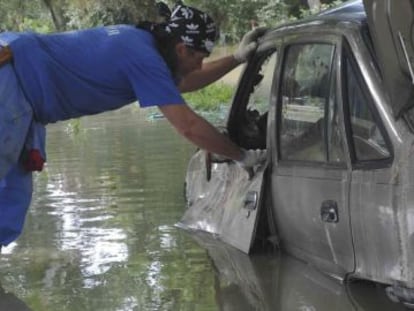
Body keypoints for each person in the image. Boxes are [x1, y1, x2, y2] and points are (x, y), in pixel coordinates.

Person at [0, 4, 267, 247]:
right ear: (182, 49)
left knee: (12, 198)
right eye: (199, 57)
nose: (200, 64)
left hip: (20, 84)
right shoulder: (143, 57)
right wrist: (242, 156)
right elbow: (188, 126)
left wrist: (237, 58)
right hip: (10, 82)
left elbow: (185, 81)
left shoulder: (144, 47)